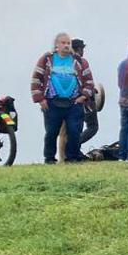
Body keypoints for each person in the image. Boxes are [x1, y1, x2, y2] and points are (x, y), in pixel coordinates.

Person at [31, 32, 95, 164]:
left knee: (74, 131)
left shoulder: (80, 61)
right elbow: (36, 78)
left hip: (74, 103)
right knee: (51, 133)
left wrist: (83, 96)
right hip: (52, 102)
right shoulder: (47, 60)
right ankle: (49, 158)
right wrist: (40, 99)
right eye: (63, 43)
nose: (66, 46)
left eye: (68, 43)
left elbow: (89, 81)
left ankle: (71, 157)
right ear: (56, 45)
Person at [71, 39, 101, 144]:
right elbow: (87, 81)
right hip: (85, 102)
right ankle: (74, 147)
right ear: (79, 49)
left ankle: (71, 150)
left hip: (69, 102)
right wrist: (91, 90)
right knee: (93, 127)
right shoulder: (82, 62)